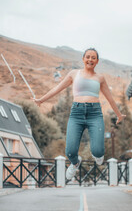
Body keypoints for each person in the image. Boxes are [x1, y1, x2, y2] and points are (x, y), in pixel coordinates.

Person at [32, 48, 126, 180]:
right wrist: (41, 100)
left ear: (97, 61)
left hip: (95, 114)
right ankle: (75, 163)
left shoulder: (100, 78)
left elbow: (109, 98)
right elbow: (57, 88)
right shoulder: (73, 74)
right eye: (88, 57)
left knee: (98, 152)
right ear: (83, 59)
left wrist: (119, 114)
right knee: (70, 152)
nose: (90, 59)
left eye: (93, 58)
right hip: (76, 113)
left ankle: (98, 154)